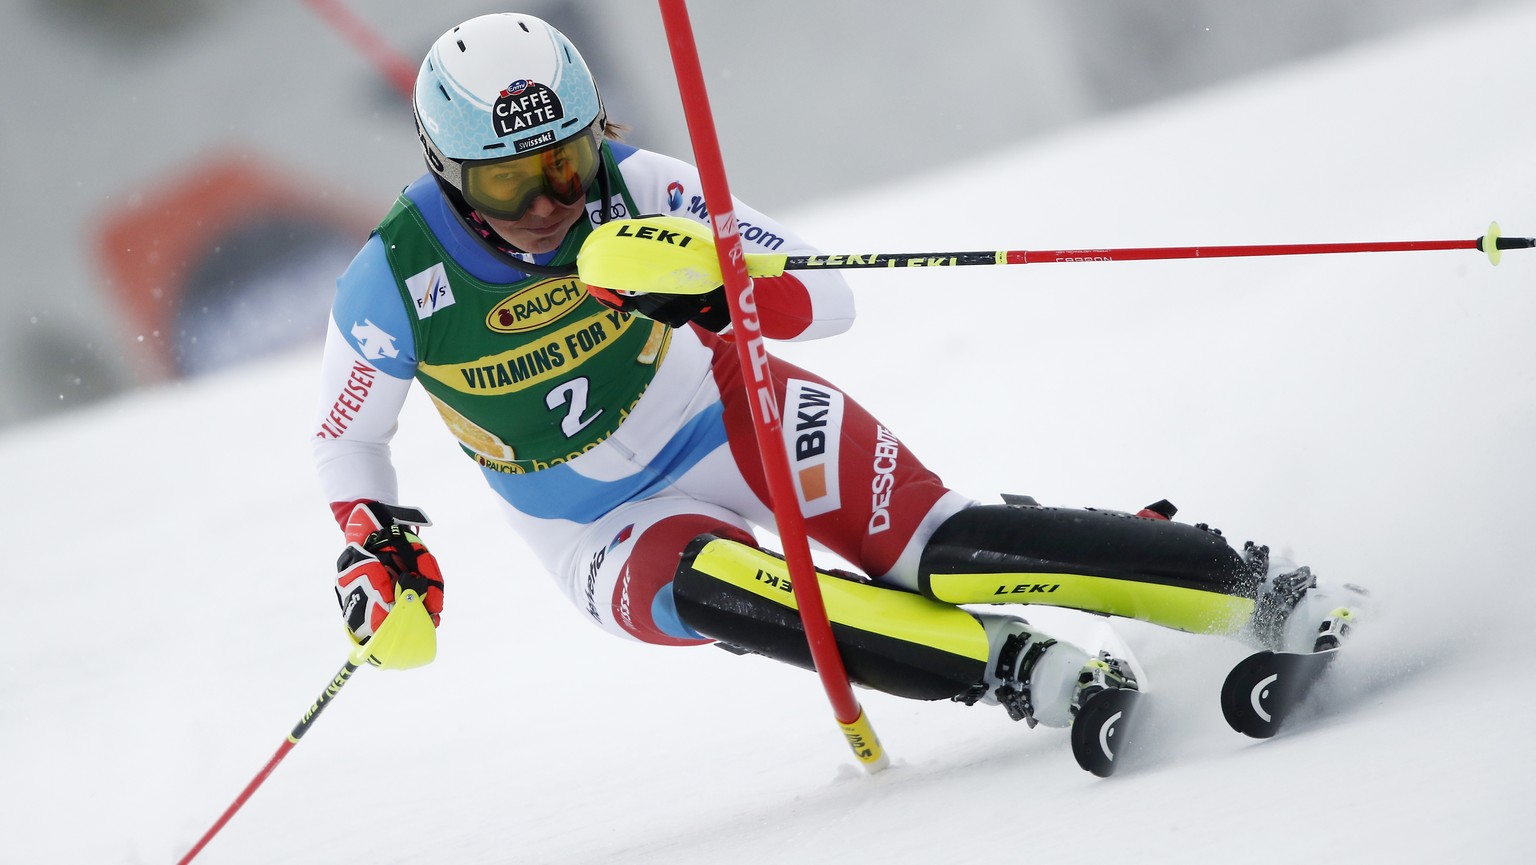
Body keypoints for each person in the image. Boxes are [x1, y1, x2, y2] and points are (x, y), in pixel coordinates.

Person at [313, 12, 1364, 736]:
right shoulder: (394, 281)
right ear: (447, 170)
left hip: (728, 416)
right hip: (594, 527)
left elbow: (830, 293)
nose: (548, 203)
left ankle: (1256, 588)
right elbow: (346, 436)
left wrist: (720, 291)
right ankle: (1012, 668)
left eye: (564, 163)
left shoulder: (643, 188)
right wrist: (377, 539)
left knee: (939, 552)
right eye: (508, 178)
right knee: (735, 589)